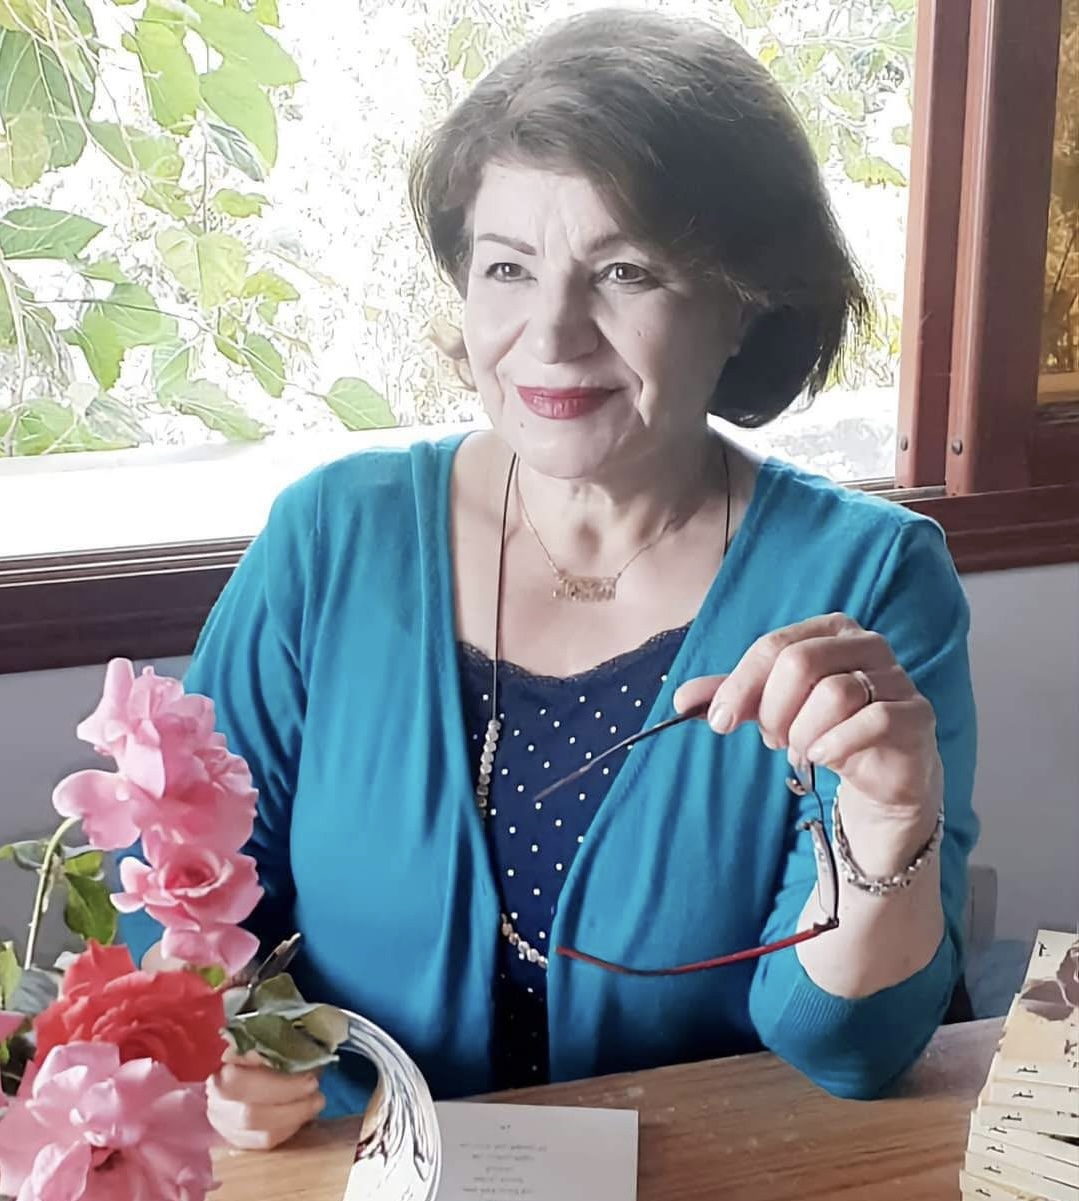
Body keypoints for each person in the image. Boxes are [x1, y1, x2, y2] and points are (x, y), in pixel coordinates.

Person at [121, 7, 979, 1151]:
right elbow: (185, 892)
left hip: (711, 1172)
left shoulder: (867, 579)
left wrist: (888, 817)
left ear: (746, 301)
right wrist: (225, 1043)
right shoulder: (328, 539)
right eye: (507, 268)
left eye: (625, 270)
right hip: (362, 1170)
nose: (551, 334)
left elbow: (845, 1050)